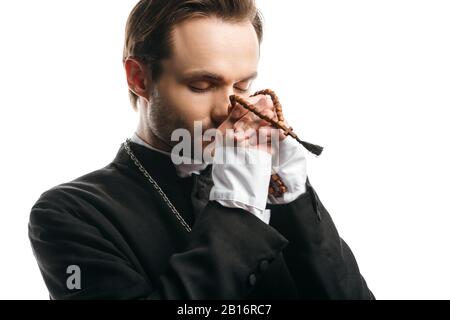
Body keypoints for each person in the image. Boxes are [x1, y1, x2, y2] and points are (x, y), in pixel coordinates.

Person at [28, 0, 374, 300]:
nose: (230, 107)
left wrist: (292, 199)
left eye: (242, 85)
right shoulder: (68, 214)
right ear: (139, 78)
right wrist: (238, 207)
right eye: (202, 85)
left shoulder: (268, 183)